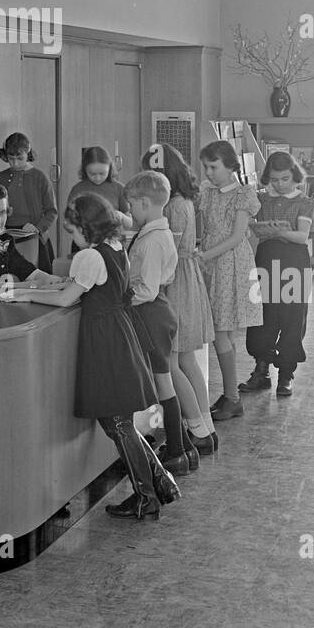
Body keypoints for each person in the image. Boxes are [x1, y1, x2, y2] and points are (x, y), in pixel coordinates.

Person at [11, 193, 181, 521]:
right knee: (119, 421)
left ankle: (148, 496)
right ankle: (160, 482)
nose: (72, 239)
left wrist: (24, 294)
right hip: (120, 333)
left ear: (86, 227)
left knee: (116, 421)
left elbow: (65, 299)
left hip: (105, 340)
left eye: (73, 231)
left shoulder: (90, 256)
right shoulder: (116, 246)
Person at [123, 170, 197, 476]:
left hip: (151, 314)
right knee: (161, 380)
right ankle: (183, 448)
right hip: (157, 311)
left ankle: (178, 450)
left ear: (143, 203)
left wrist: (119, 300)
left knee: (162, 382)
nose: (129, 211)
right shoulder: (157, 233)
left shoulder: (152, 241)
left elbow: (147, 290)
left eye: (130, 205)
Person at [149, 143, 218, 456]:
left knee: (173, 363)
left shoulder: (174, 206)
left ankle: (196, 427)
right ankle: (205, 428)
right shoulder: (185, 200)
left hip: (177, 281)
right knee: (187, 360)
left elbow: (168, 254)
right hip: (188, 277)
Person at [195, 140, 262, 421]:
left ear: (230, 165)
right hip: (212, 262)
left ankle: (232, 398)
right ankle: (230, 393)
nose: (209, 172)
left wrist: (203, 255)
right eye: (206, 167)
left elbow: (236, 238)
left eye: (214, 166)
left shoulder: (243, 195)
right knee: (223, 331)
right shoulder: (207, 193)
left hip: (230, 264)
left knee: (222, 331)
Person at [241, 152, 314, 399]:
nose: (280, 184)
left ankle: (286, 374)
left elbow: (302, 237)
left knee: (292, 317)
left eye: (284, 178)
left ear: (294, 176)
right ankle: (261, 370)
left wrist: (279, 232)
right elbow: (253, 229)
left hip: (294, 263)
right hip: (265, 260)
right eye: (274, 180)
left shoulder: (304, 202)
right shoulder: (261, 200)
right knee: (262, 315)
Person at [0, 131, 58, 270]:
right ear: (5, 156)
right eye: (11, 159)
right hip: (6, 235)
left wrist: (38, 227)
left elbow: (51, 212)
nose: (15, 163)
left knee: (37, 278)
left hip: (34, 235)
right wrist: (3, 212)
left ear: (28, 154)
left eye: (20, 158)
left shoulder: (40, 177)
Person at [66, 146, 133, 230]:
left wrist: (121, 216)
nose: (97, 178)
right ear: (85, 170)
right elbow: (67, 223)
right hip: (83, 240)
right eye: (92, 174)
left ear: (110, 169)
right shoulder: (78, 190)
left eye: (102, 173)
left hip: (111, 241)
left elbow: (129, 223)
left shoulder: (119, 188)